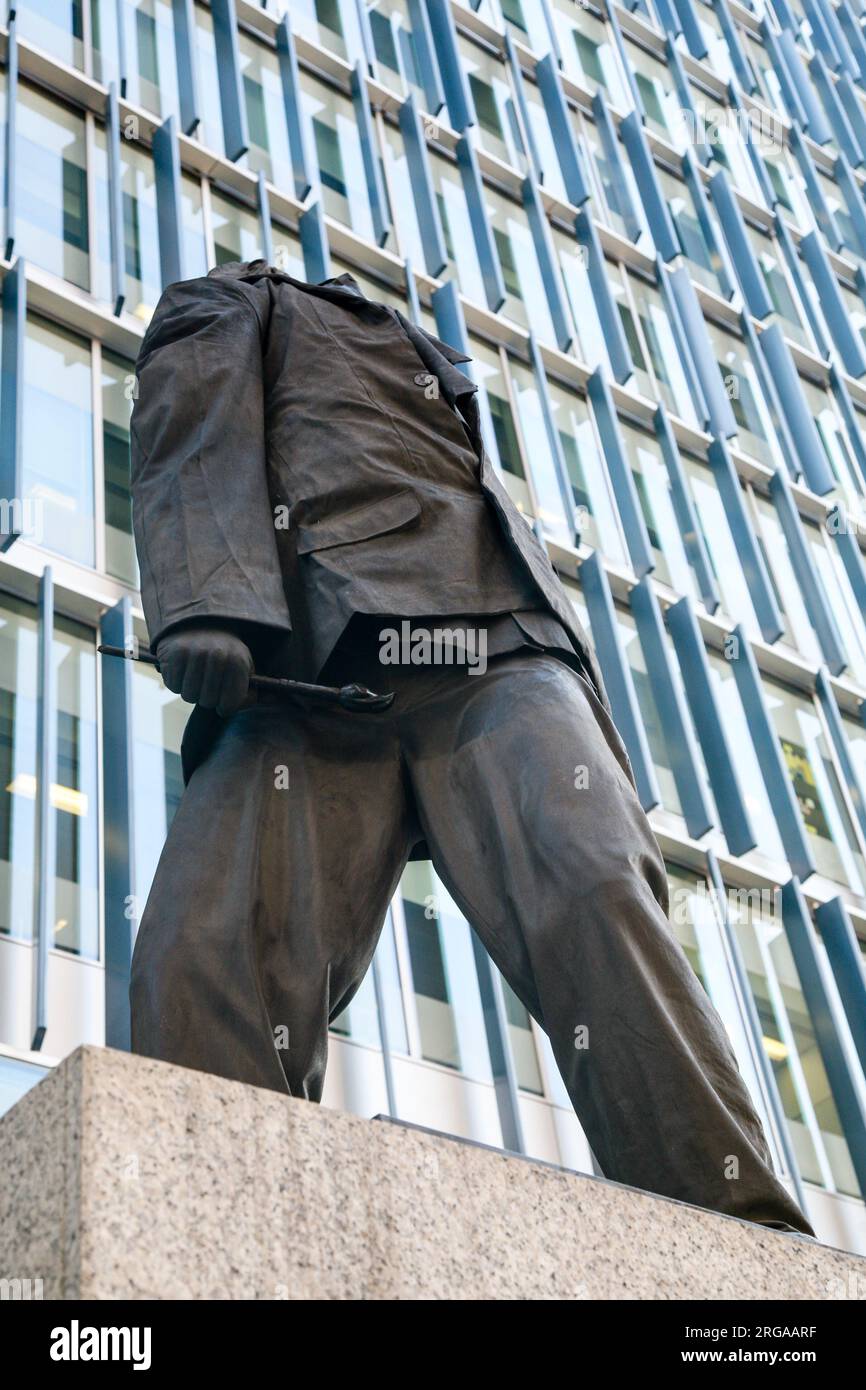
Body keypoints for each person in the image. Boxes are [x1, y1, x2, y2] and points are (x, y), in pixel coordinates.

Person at [129, 260, 813, 1236]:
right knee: (209, 942)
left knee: (592, 878)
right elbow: (192, 419)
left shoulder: (432, 362)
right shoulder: (243, 295)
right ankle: (197, 1240)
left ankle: (747, 1247)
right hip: (312, 665)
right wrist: (207, 601)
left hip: (497, 648)